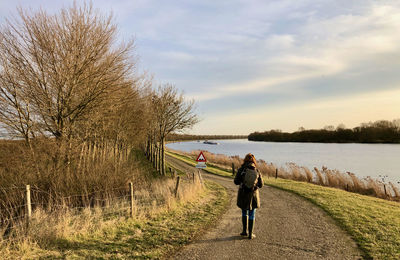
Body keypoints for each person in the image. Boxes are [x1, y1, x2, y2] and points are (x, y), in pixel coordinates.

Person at [234, 153, 263, 239]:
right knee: (252, 214)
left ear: (245, 160)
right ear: (254, 160)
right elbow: (261, 185)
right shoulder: (256, 170)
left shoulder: (242, 169)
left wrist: (243, 183)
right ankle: (250, 234)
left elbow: (236, 181)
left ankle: (244, 231)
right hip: (253, 195)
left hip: (243, 194)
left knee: (244, 212)